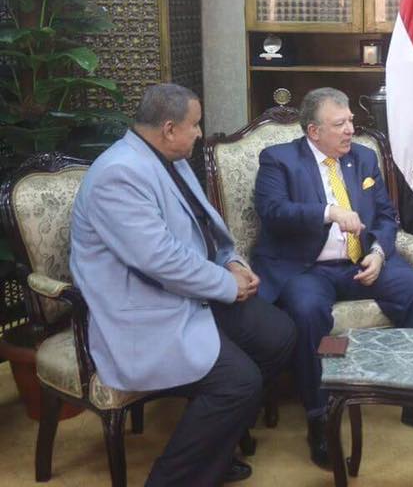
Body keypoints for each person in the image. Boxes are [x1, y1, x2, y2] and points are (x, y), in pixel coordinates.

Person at [70, 83, 296, 486]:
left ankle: (213, 442)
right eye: (195, 125)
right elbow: (161, 261)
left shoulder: (167, 158)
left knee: (278, 334)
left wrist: (232, 260)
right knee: (238, 382)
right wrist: (227, 284)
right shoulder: (118, 174)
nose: (199, 133)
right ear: (169, 128)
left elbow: (204, 227)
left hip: (191, 292)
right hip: (146, 310)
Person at [251, 87, 413, 467]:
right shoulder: (279, 159)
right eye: (340, 124)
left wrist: (379, 254)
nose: (351, 129)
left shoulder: (363, 158)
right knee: (307, 310)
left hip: (360, 263)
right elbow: (273, 211)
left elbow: (386, 217)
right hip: (307, 268)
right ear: (314, 131)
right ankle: (319, 416)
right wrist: (329, 212)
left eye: (350, 120)